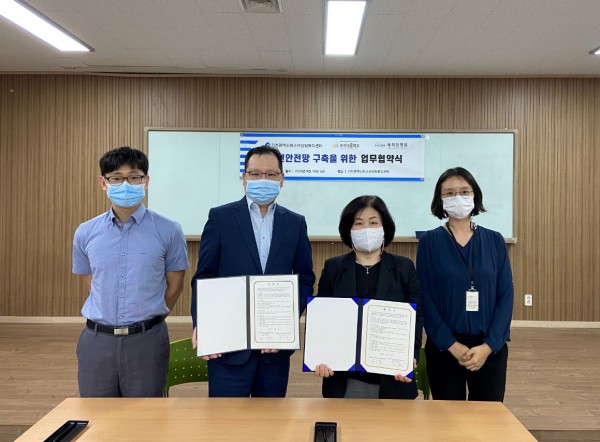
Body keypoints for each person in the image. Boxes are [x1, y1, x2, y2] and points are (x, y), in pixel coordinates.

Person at [190, 145, 315, 398]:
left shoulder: (295, 223)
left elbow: (305, 278)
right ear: (244, 178)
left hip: (274, 350)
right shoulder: (221, 217)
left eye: (271, 174)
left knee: (270, 419)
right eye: (255, 174)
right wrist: (202, 323)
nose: (263, 179)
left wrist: (287, 323)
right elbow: (204, 277)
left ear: (282, 179)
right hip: (228, 346)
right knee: (227, 418)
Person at [72, 146, 189, 397]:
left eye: (134, 177)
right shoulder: (85, 232)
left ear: (146, 181)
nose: (125, 184)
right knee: (96, 414)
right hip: (97, 341)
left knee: (145, 415)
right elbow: (92, 283)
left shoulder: (169, 230)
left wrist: (149, 320)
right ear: (103, 183)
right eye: (116, 178)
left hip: (147, 341)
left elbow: (176, 285)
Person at [416, 167, 513, 402]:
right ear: (440, 200)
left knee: (487, 418)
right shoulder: (429, 242)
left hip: (489, 349)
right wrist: (451, 345)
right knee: (448, 419)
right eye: (449, 193)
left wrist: (488, 346)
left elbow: (505, 295)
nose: (457, 197)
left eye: (464, 191)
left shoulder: (494, 240)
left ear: (474, 195)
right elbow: (425, 296)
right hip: (445, 348)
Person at [314, 195, 423, 399]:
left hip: (393, 377)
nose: (366, 229)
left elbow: (416, 317)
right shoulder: (333, 268)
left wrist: (410, 356)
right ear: (349, 230)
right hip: (343, 379)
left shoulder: (404, 267)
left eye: (373, 223)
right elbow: (322, 318)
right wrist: (320, 356)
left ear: (384, 228)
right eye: (358, 223)